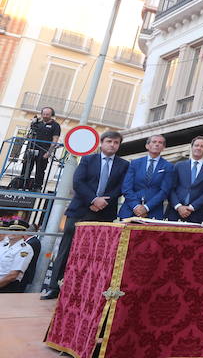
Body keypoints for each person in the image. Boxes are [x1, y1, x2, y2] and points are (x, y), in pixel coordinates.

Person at [42, 130, 128, 300]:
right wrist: (93, 200)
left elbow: (121, 187)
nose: (112, 145)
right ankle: (54, 287)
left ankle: (84, 288)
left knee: (96, 253)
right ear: (101, 143)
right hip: (80, 211)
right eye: (109, 141)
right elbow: (78, 182)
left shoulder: (124, 164)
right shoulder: (88, 160)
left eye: (116, 142)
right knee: (67, 249)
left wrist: (104, 202)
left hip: (105, 213)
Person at [118, 134, 174, 220]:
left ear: (163, 148)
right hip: (130, 210)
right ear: (147, 145)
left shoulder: (168, 166)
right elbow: (126, 187)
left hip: (153, 212)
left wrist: (147, 207)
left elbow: (164, 191)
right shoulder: (135, 163)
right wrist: (135, 206)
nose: (157, 144)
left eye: (160, 143)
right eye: (154, 142)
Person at [166, 136, 203, 224]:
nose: (199, 148)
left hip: (195, 214)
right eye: (196, 145)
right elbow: (171, 188)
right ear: (192, 147)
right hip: (175, 212)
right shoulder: (179, 165)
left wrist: (192, 207)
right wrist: (179, 206)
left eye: (202, 146)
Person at [24, 107, 60, 190]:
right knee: (26, 166)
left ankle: (37, 187)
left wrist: (49, 152)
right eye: (43, 114)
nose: (45, 116)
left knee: (40, 169)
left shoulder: (55, 125)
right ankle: (24, 184)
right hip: (31, 147)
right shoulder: (36, 123)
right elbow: (29, 135)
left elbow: (55, 140)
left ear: (52, 115)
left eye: (47, 114)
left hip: (43, 150)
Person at [0, 222, 34, 292]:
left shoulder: (25, 249)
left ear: (23, 233)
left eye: (17, 230)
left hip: (7, 286)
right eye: (11, 230)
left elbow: (13, 275)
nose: (13, 232)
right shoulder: (4, 246)